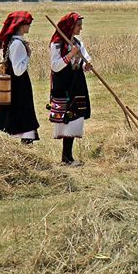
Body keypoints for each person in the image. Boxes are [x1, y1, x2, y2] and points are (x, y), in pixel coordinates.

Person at [0, 11, 40, 144]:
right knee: (22, 111)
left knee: (12, 112)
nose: (30, 26)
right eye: (28, 23)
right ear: (22, 25)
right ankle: (25, 142)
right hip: (18, 85)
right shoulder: (17, 44)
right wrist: (28, 55)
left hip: (14, 84)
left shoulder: (12, 41)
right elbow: (18, 70)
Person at [48, 12, 91, 166]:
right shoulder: (57, 44)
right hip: (63, 85)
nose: (81, 28)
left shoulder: (77, 43)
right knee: (67, 119)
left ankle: (68, 157)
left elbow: (85, 58)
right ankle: (66, 158)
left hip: (77, 84)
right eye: (78, 25)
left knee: (76, 118)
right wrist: (70, 54)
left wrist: (86, 65)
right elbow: (55, 66)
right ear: (70, 26)